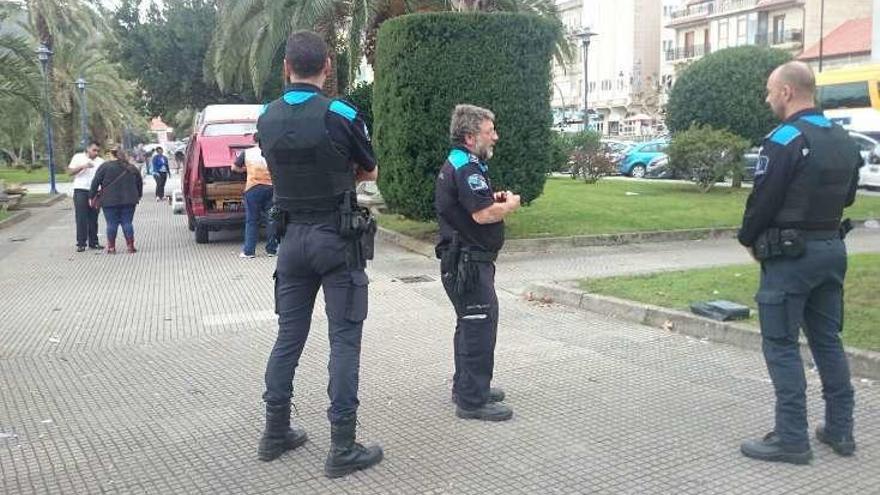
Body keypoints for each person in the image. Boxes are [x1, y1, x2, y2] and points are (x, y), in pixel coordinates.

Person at [256, 31, 381, 478]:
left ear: (286, 66)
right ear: (328, 66)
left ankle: (275, 433)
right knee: (343, 340)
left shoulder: (266, 116)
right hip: (335, 238)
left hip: (290, 242)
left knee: (288, 337)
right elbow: (369, 168)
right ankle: (343, 447)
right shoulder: (341, 113)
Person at [738, 61, 863, 465]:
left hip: (791, 258)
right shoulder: (843, 138)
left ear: (788, 92)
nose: (768, 97)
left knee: (781, 344)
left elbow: (763, 201)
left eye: (770, 91)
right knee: (827, 340)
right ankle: (840, 429)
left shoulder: (786, 138)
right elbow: (847, 198)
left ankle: (791, 438)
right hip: (832, 249)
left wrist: (749, 240)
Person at [435, 104, 521, 422]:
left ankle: (468, 386)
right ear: (471, 137)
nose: (495, 137)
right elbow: (482, 214)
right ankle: (472, 401)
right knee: (479, 328)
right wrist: (509, 204)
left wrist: (492, 198)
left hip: (465, 261)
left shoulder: (465, 163)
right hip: (467, 263)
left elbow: (473, 203)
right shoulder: (466, 167)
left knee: (470, 326)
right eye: (489, 132)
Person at [230, 134, 278, 258]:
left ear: (254, 140)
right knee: (271, 219)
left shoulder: (247, 153)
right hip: (271, 188)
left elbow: (234, 167)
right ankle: (272, 250)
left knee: (252, 220)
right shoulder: (272, 151)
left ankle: (249, 251)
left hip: (253, 189)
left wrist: (246, 170)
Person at [90, 147, 144, 254]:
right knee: (127, 223)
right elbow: (139, 183)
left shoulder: (105, 167)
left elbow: (95, 182)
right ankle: (130, 246)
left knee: (111, 224)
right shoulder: (131, 167)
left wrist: (91, 196)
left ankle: (111, 247)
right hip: (129, 200)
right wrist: (138, 195)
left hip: (109, 201)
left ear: (112, 155)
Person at [67, 141, 104, 252]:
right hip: (81, 190)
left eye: (97, 151)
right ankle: (81, 243)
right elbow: (70, 172)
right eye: (94, 150)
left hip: (95, 191)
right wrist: (83, 166)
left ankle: (94, 242)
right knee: (81, 217)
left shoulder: (101, 162)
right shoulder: (78, 157)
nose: (96, 153)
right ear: (88, 149)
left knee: (94, 217)